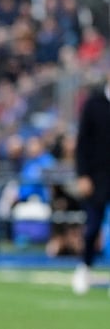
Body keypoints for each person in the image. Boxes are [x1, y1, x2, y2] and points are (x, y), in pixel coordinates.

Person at [72, 78, 110, 295]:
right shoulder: (93, 104)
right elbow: (82, 142)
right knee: (93, 226)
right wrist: (83, 175)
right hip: (96, 177)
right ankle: (85, 267)